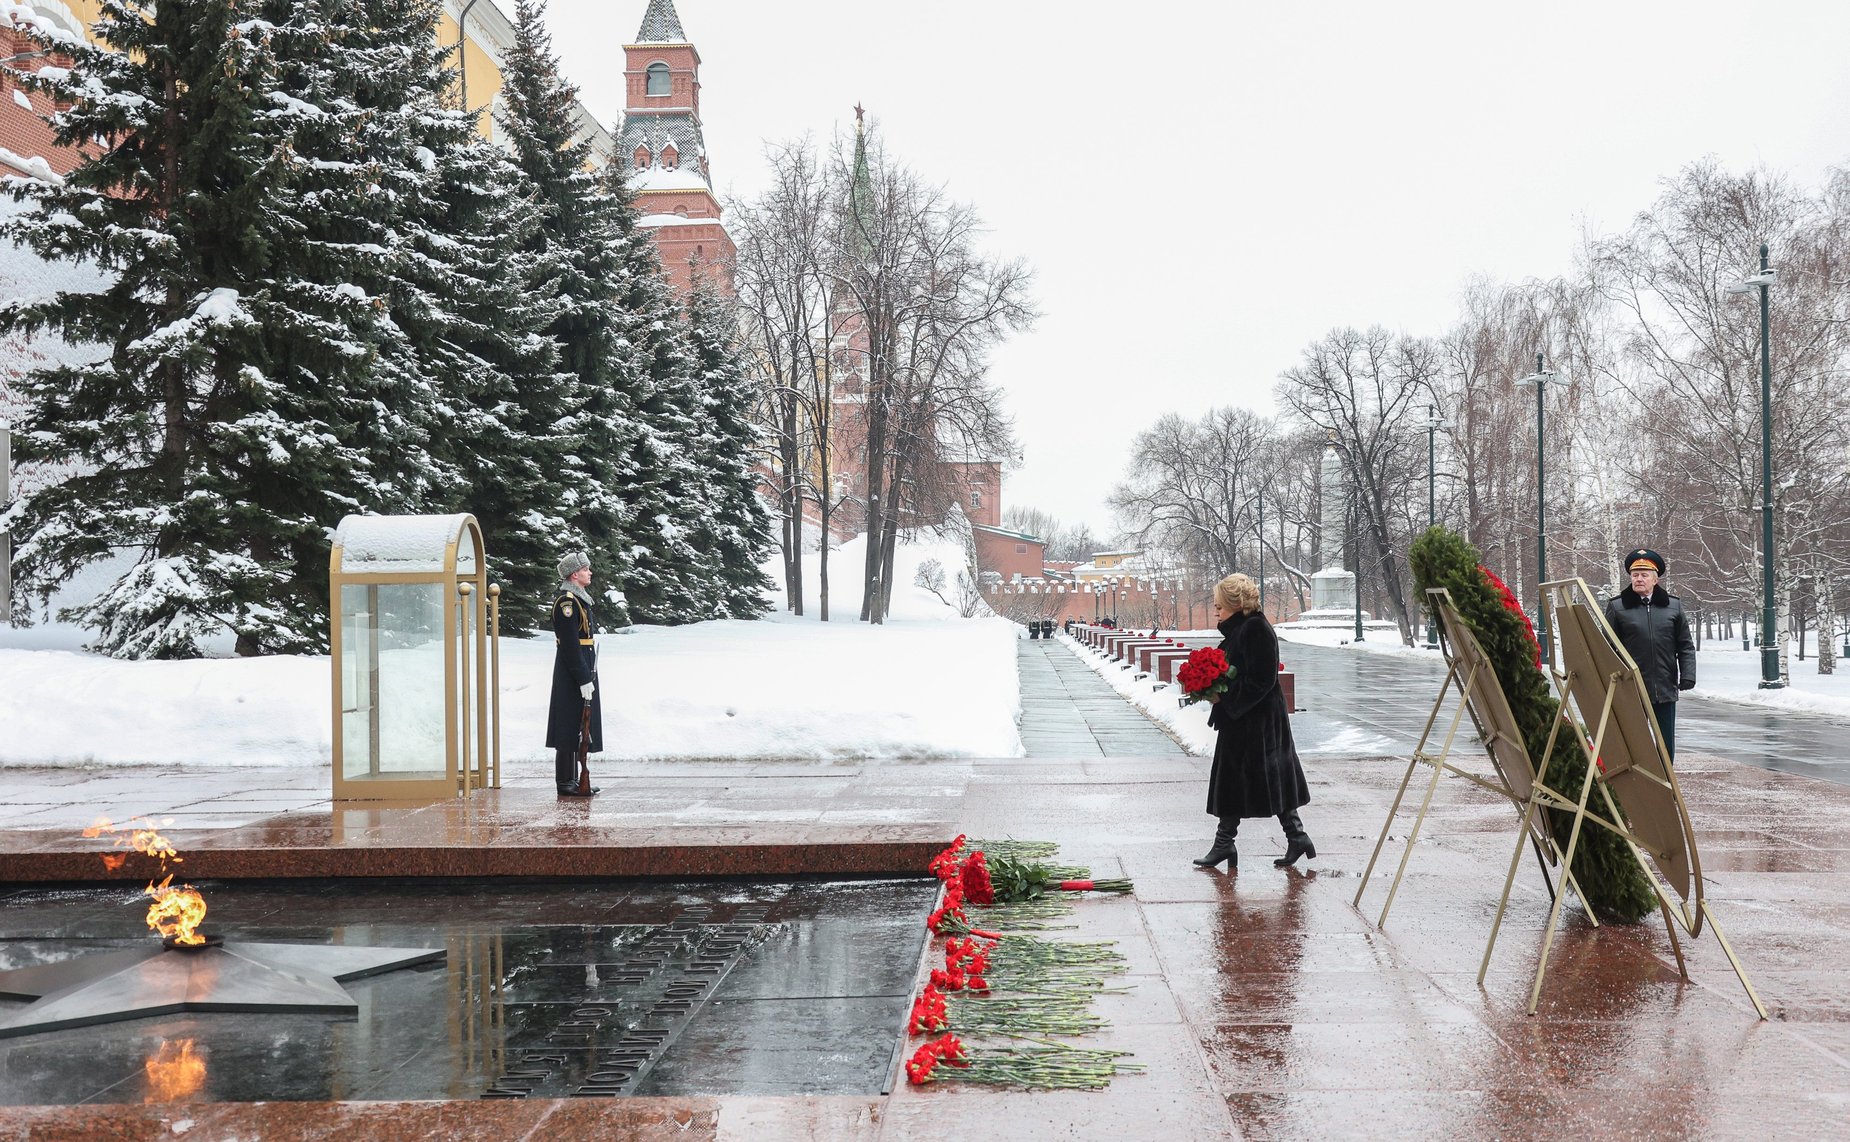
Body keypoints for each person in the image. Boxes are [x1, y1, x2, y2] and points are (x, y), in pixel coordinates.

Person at [1193, 572, 1314, 870]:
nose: (1216, 610)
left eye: (1220, 605)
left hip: (1257, 720)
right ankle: (1290, 837)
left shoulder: (1256, 629)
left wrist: (1225, 697)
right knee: (1260, 780)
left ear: (1236, 604)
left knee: (1258, 779)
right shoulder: (1240, 629)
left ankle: (1228, 843)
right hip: (1246, 718)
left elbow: (1262, 679)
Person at [1604, 548, 1696, 761]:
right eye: (1635, 575)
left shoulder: (1673, 606)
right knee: (1634, 742)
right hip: (1631, 687)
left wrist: (1688, 675)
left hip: (1664, 687)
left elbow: (1685, 645)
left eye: (1644, 575)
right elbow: (1607, 647)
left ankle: (1667, 790)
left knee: (1665, 744)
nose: (1639, 579)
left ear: (1655, 579)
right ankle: (1638, 788)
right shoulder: (1617, 607)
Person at [547, 551, 603, 797]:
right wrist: (582, 678)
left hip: (581, 666)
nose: (589, 572)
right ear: (574, 574)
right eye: (585, 569)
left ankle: (573, 778)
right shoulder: (567, 602)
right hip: (572, 670)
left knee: (578, 724)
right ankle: (565, 781)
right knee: (567, 724)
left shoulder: (579, 600)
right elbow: (570, 644)